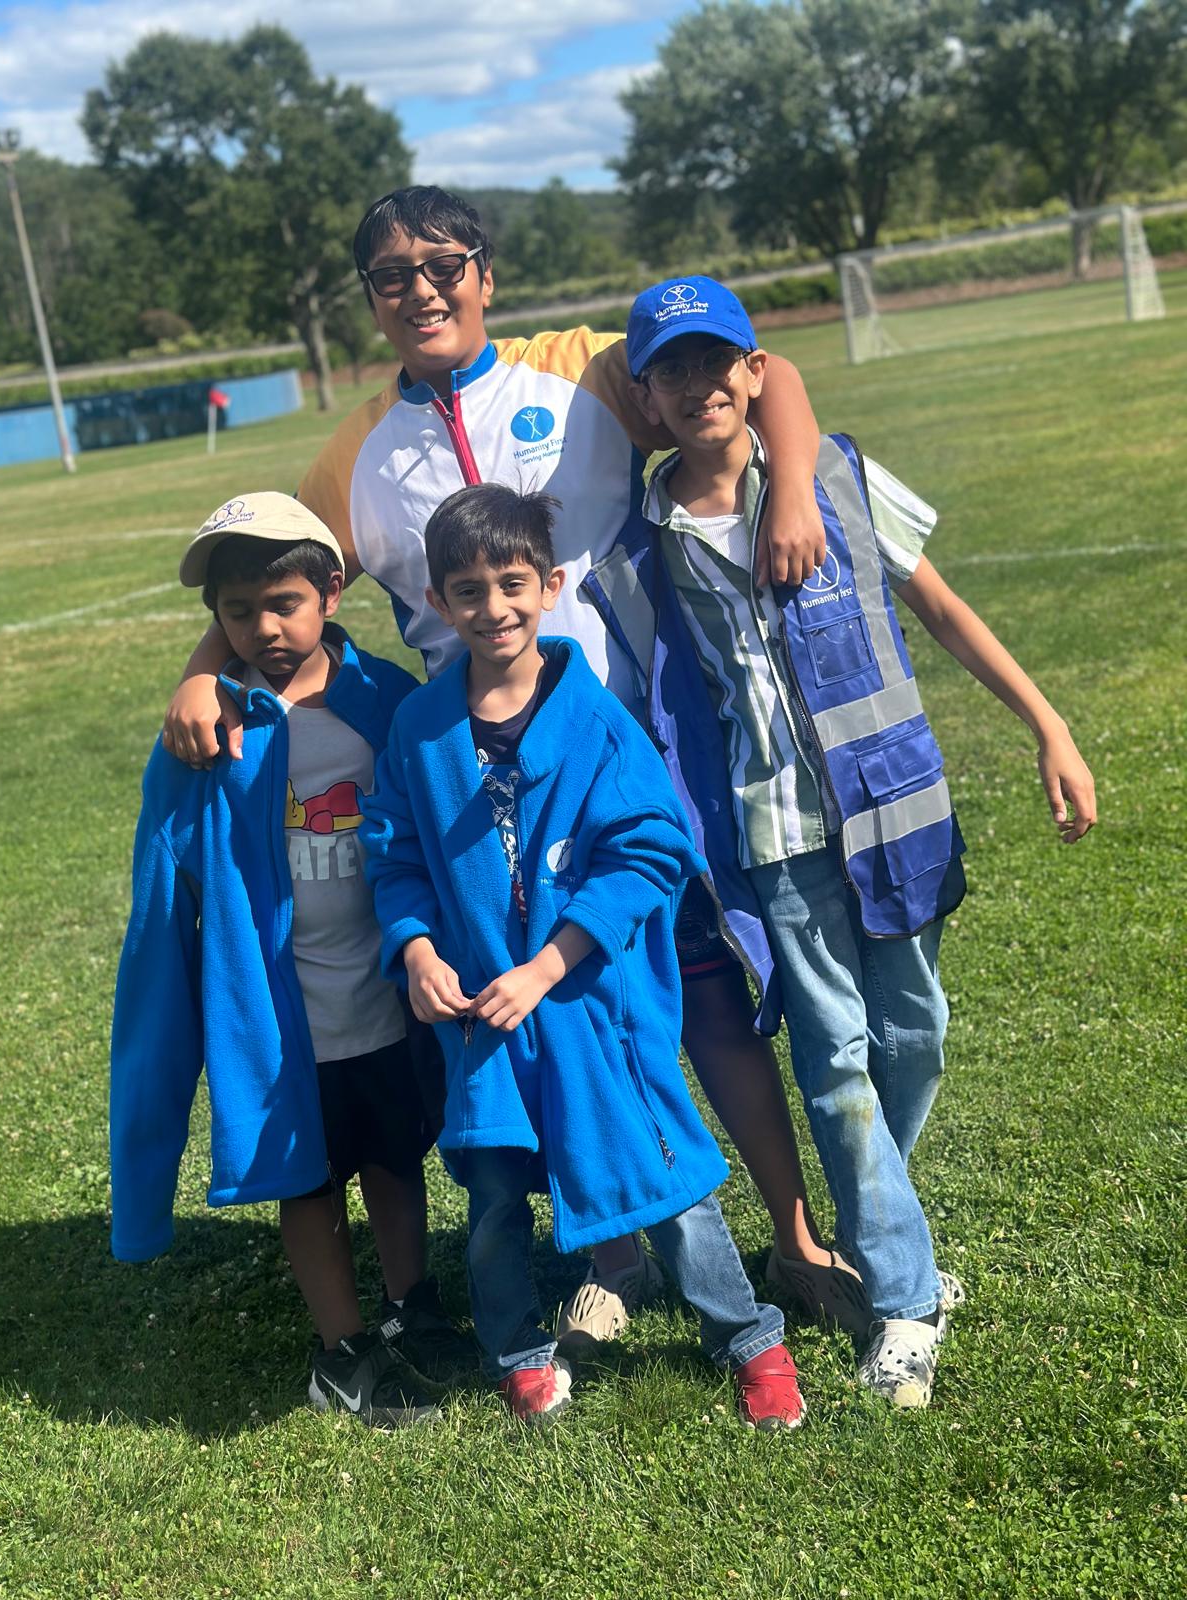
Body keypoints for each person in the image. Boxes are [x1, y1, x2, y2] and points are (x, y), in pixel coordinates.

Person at [159, 185, 848, 1345]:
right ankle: (611, 1256)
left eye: (444, 263)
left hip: (629, 758)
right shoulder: (356, 454)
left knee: (705, 998)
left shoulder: (581, 371)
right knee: (534, 1007)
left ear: (486, 274)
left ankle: (796, 1237)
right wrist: (195, 669)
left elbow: (760, 378)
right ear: (371, 299)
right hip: (477, 799)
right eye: (392, 274)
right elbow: (277, 571)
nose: (421, 287)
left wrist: (787, 479)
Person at [582, 275, 1097, 1407]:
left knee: (916, 1032)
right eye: (672, 368)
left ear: (756, 372)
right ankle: (904, 1299)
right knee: (837, 1061)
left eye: (720, 360)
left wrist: (1049, 725)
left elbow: (944, 609)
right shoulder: (639, 556)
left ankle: (873, 1228)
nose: (701, 383)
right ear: (649, 398)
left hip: (895, 807)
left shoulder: (845, 478)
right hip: (772, 842)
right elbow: (634, 712)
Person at [358, 482, 806, 1429]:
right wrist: (417, 949)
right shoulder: (420, 730)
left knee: (669, 1178)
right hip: (483, 1021)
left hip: (593, 1009)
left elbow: (650, 852)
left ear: (550, 584)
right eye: (469, 591)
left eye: (513, 584)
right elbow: (393, 857)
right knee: (491, 1200)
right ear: (438, 602)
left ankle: (750, 1341)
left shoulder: (599, 721)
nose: (495, 609)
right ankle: (519, 1350)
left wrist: (549, 967)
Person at [110, 492, 467, 1431]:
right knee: (306, 1180)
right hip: (278, 1016)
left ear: (331, 593)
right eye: (237, 613)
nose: (264, 629)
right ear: (215, 620)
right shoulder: (202, 735)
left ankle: (411, 1306)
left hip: (386, 993)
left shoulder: (389, 703)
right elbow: (163, 886)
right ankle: (341, 1352)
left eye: (284, 604)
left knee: (395, 1158)